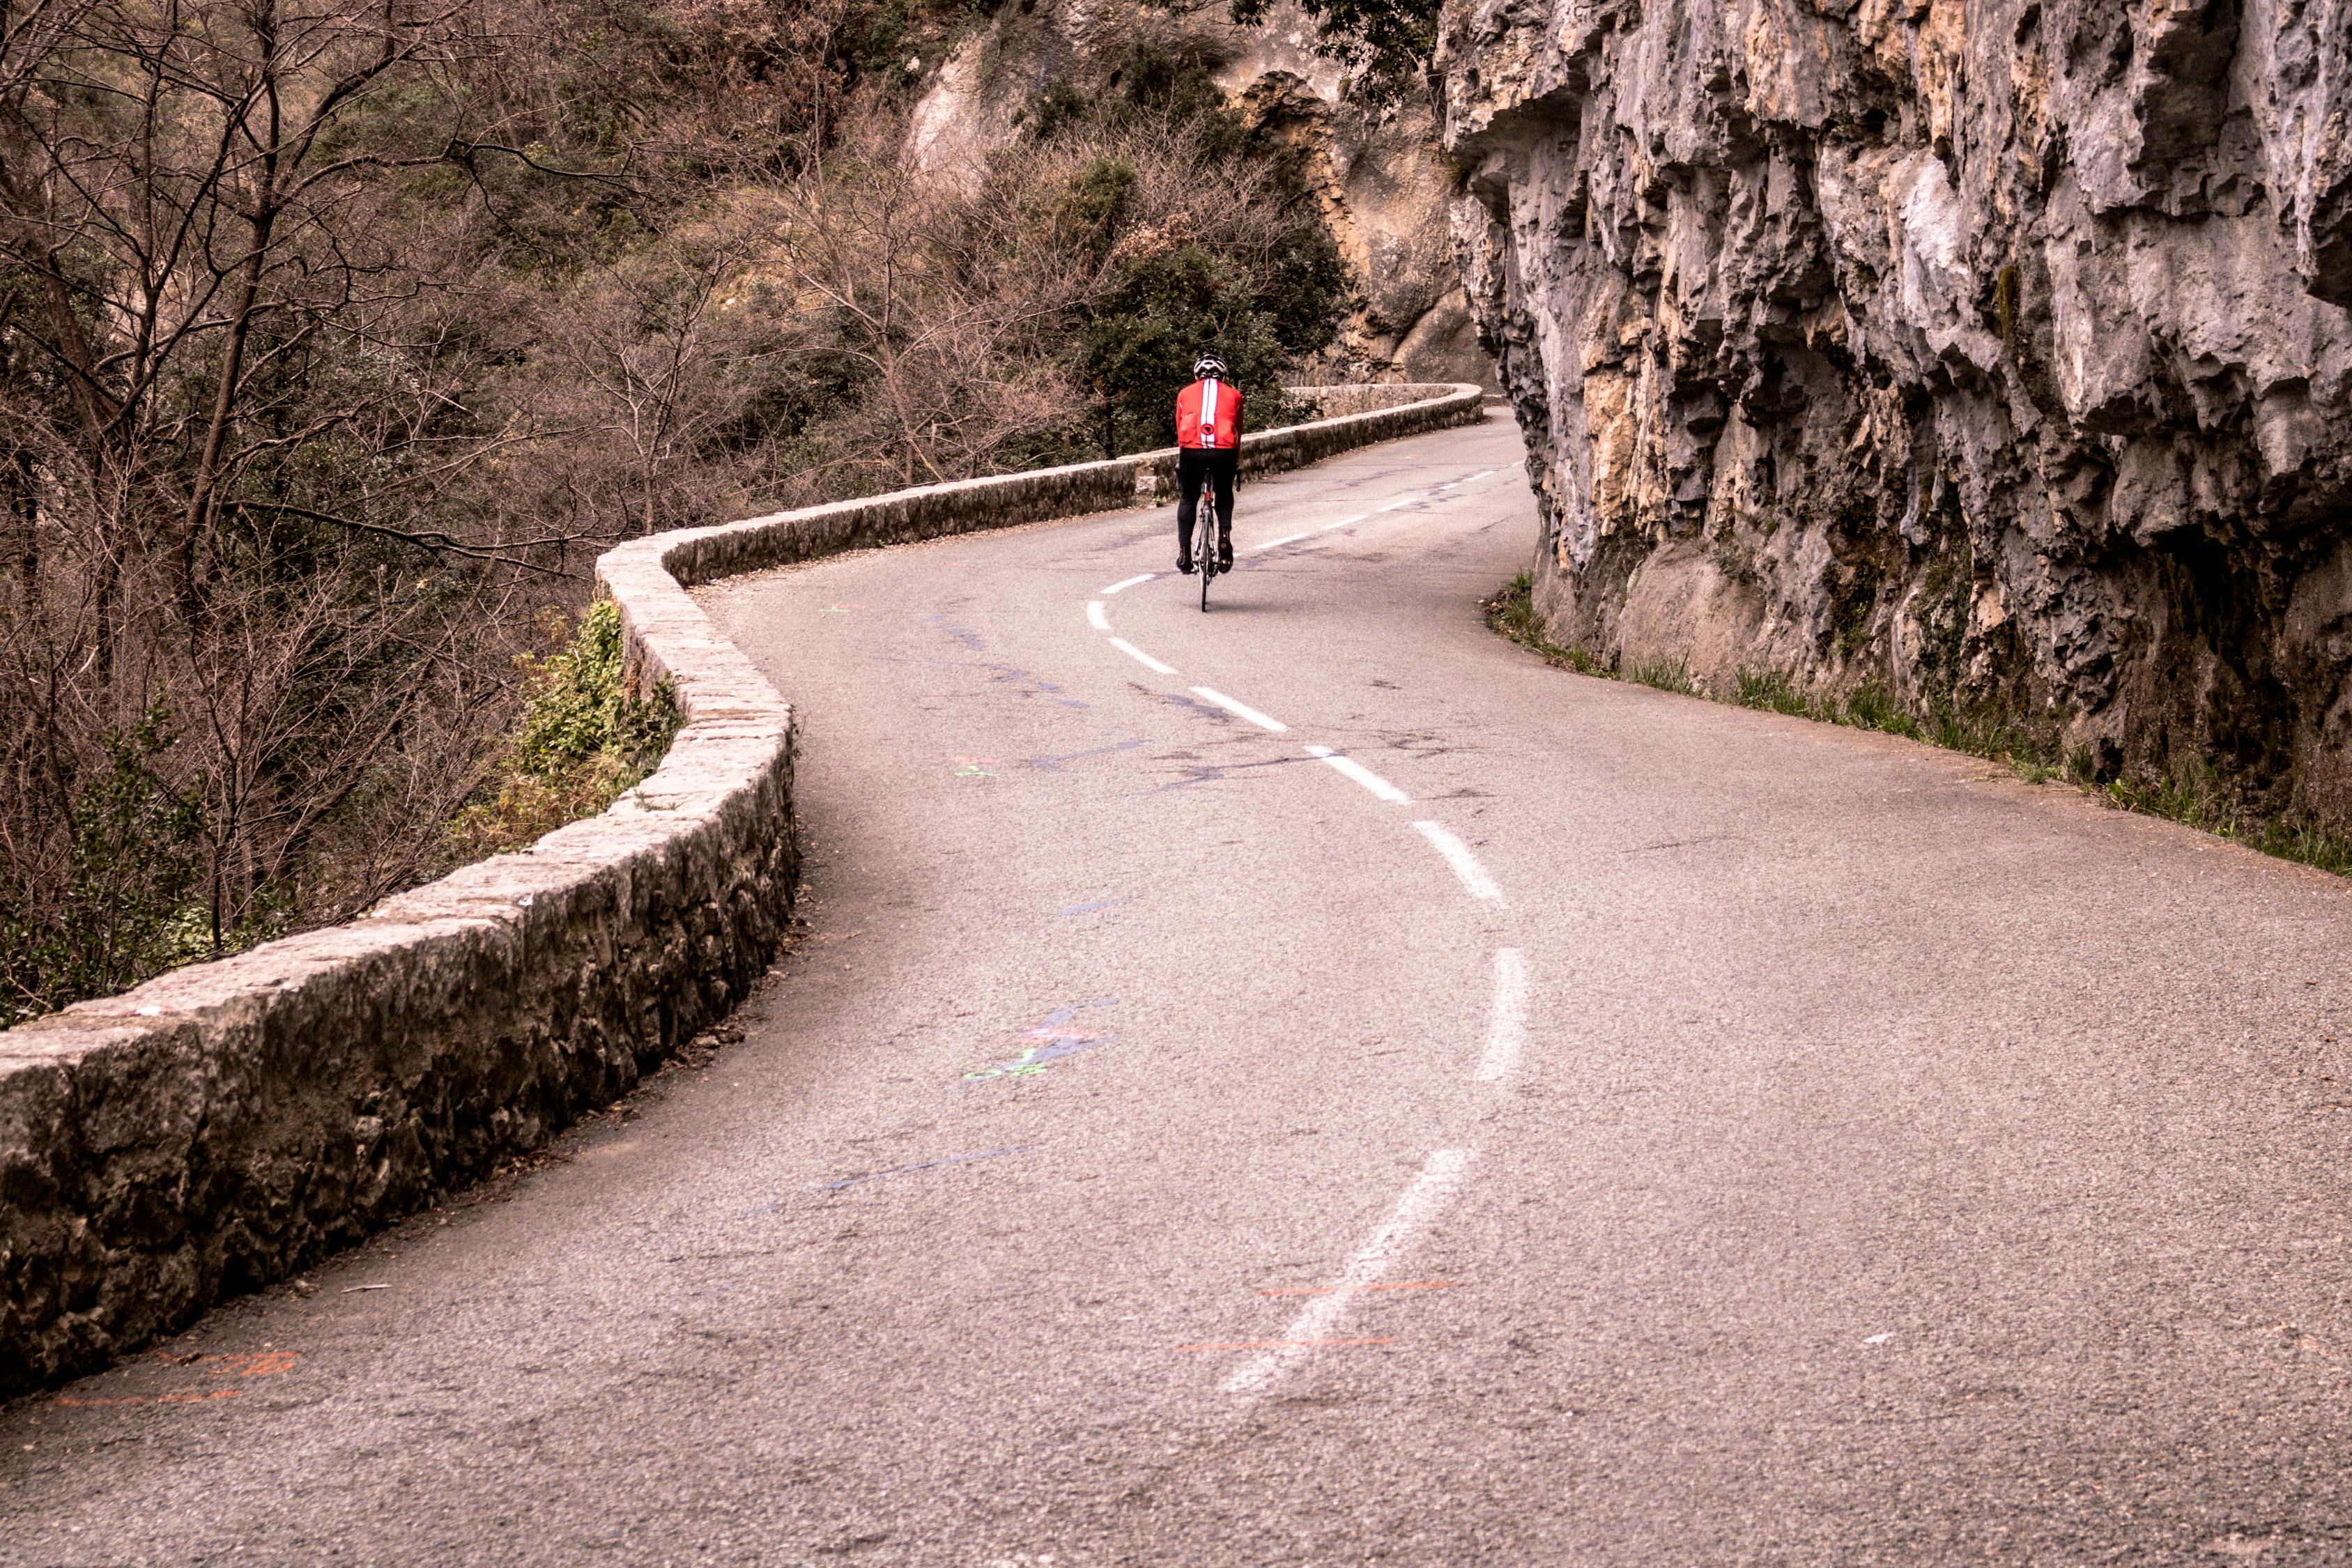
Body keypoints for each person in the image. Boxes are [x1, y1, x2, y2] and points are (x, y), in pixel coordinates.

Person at [1174, 353, 1241, 575]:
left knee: (1188, 498)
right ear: (1222, 377)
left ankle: (1184, 552)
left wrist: (1182, 460)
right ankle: (1224, 538)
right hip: (1224, 451)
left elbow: (1180, 431)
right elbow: (1238, 432)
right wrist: (1235, 462)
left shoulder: (1184, 394)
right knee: (1224, 492)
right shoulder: (1235, 395)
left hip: (1192, 451)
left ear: (1197, 376)